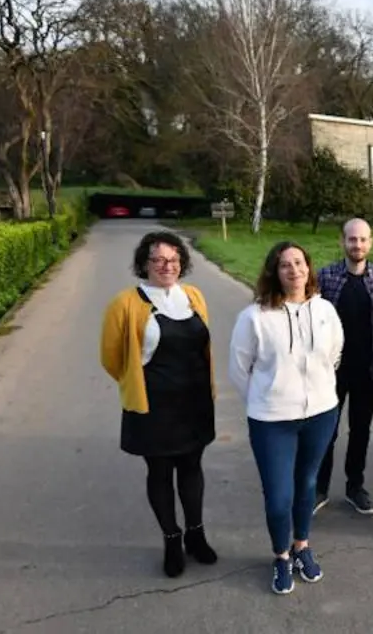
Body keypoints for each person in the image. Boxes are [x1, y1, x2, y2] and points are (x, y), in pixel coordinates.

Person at [100, 230, 218, 578]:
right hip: (154, 406)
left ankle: (196, 535)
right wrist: (135, 384)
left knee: (193, 468)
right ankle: (171, 539)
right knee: (161, 472)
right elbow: (111, 357)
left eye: (174, 259)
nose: (167, 266)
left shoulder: (193, 296)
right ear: (144, 263)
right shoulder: (126, 303)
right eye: (158, 259)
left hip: (195, 403)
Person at [229, 242, 345, 595]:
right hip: (271, 421)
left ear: (309, 268)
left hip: (321, 414)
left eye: (299, 262)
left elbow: (335, 354)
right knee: (279, 495)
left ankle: (302, 547)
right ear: (274, 272)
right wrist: (266, 402)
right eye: (285, 265)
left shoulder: (325, 310)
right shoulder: (255, 317)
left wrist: (321, 392)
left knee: (307, 484)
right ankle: (280, 556)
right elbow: (239, 368)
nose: (294, 270)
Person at [314, 218, 373, 516]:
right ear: (342, 242)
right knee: (326, 431)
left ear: (370, 243)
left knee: (360, 431)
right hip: (330, 375)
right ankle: (319, 488)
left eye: (362, 239)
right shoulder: (325, 278)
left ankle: (354, 487)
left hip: (369, 373)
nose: (357, 245)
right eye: (352, 239)